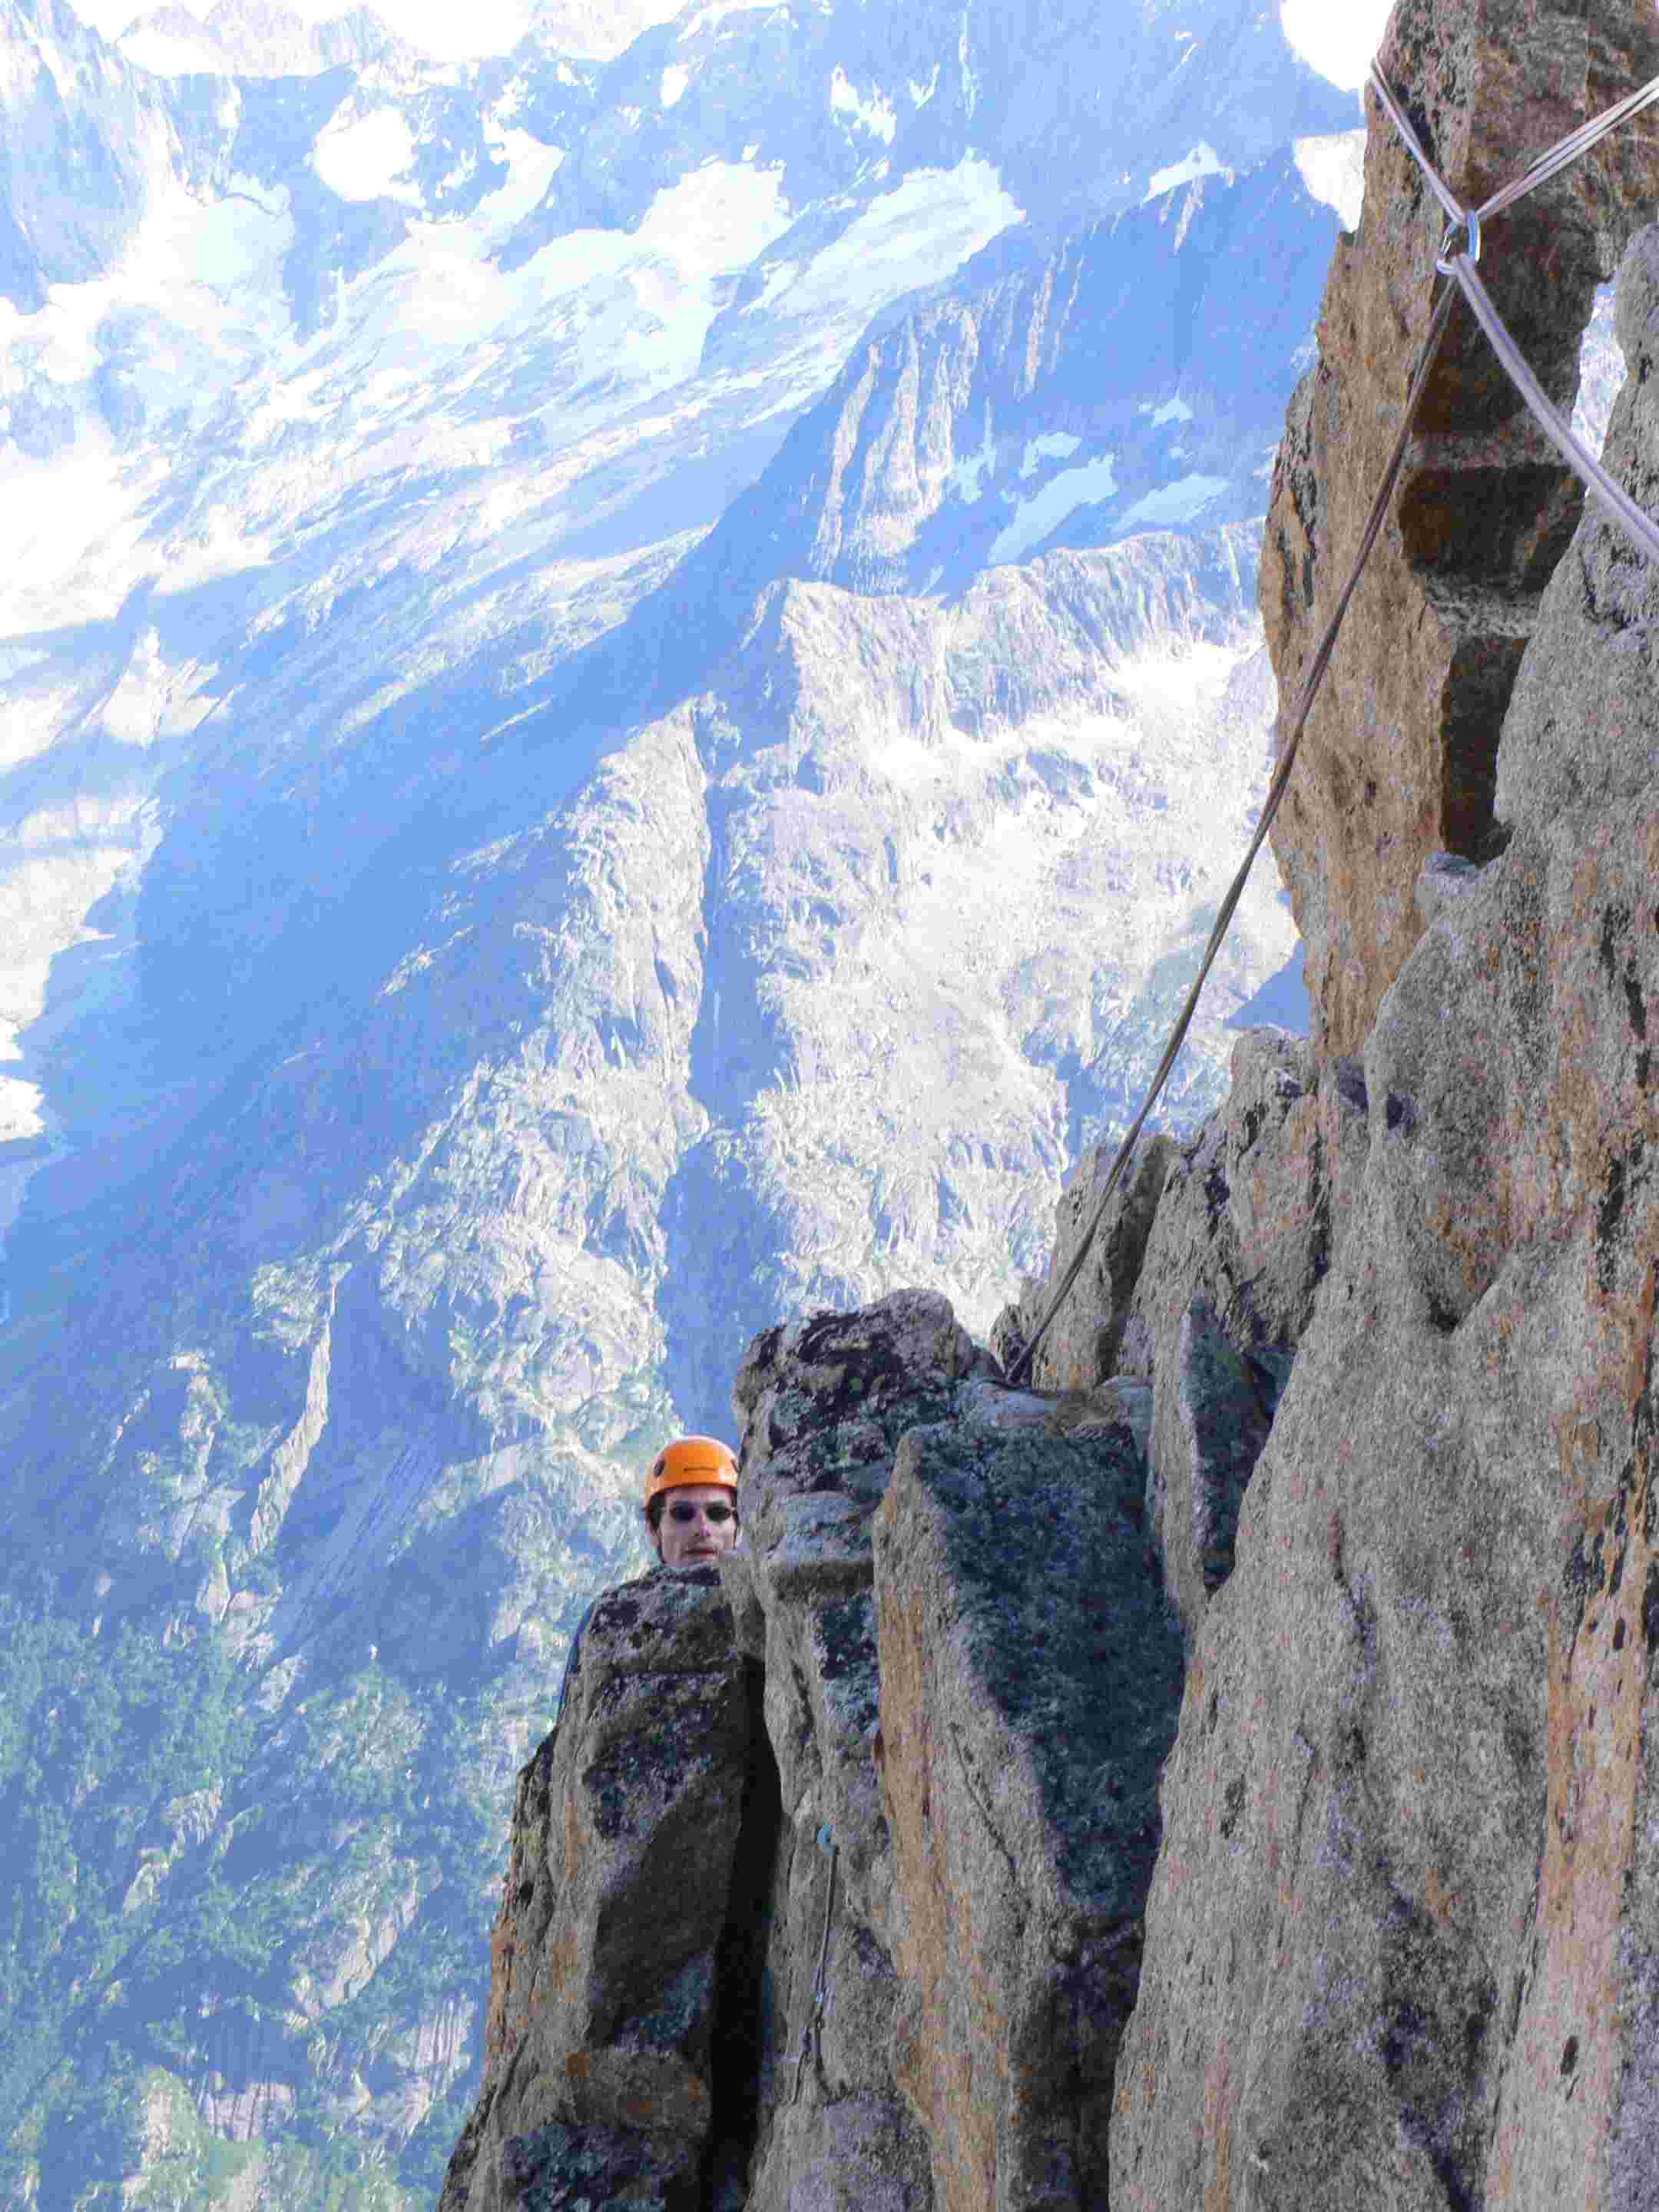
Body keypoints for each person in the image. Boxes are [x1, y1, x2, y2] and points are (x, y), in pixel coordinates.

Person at [554, 1435, 741, 1724]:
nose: (703, 1529)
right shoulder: (609, 1619)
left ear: (738, 1525)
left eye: (718, 1513)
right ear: (653, 1529)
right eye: (683, 1514)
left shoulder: (762, 1611)